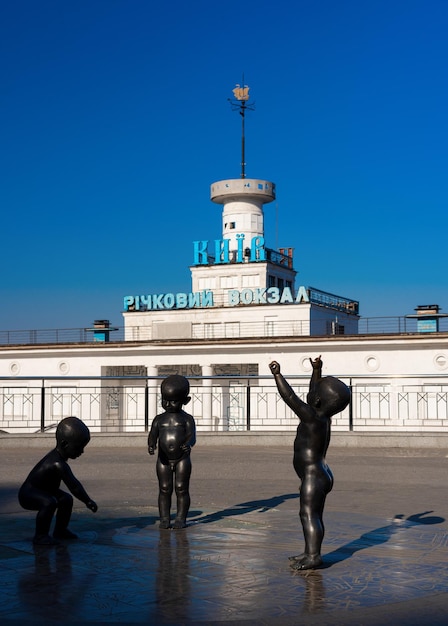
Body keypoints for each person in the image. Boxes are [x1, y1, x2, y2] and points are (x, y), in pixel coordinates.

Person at [269, 356, 350, 570]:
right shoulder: (322, 416)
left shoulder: (310, 416)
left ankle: (314, 556)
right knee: (313, 515)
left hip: (313, 477)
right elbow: (313, 391)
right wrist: (317, 370)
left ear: (316, 401)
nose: (310, 393)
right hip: (320, 473)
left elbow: (290, 397)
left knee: (308, 514)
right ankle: (309, 551)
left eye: (313, 393)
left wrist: (277, 375)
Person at [18, 416, 98, 545]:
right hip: (28, 494)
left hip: (44, 490)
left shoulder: (60, 460)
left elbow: (73, 487)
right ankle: (40, 536)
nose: (82, 451)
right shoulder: (57, 463)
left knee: (66, 499)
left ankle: (60, 530)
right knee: (49, 503)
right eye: (78, 447)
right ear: (65, 444)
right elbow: (74, 486)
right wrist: (87, 501)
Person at [148, 375, 196, 529]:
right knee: (164, 488)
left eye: (173, 401)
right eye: (165, 400)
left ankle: (181, 518)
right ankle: (164, 518)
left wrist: (188, 444)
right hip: (163, 459)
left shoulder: (187, 419)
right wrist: (151, 445)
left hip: (182, 458)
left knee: (181, 488)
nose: (168, 404)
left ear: (185, 401)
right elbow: (153, 434)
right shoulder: (159, 419)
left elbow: (192, 436)